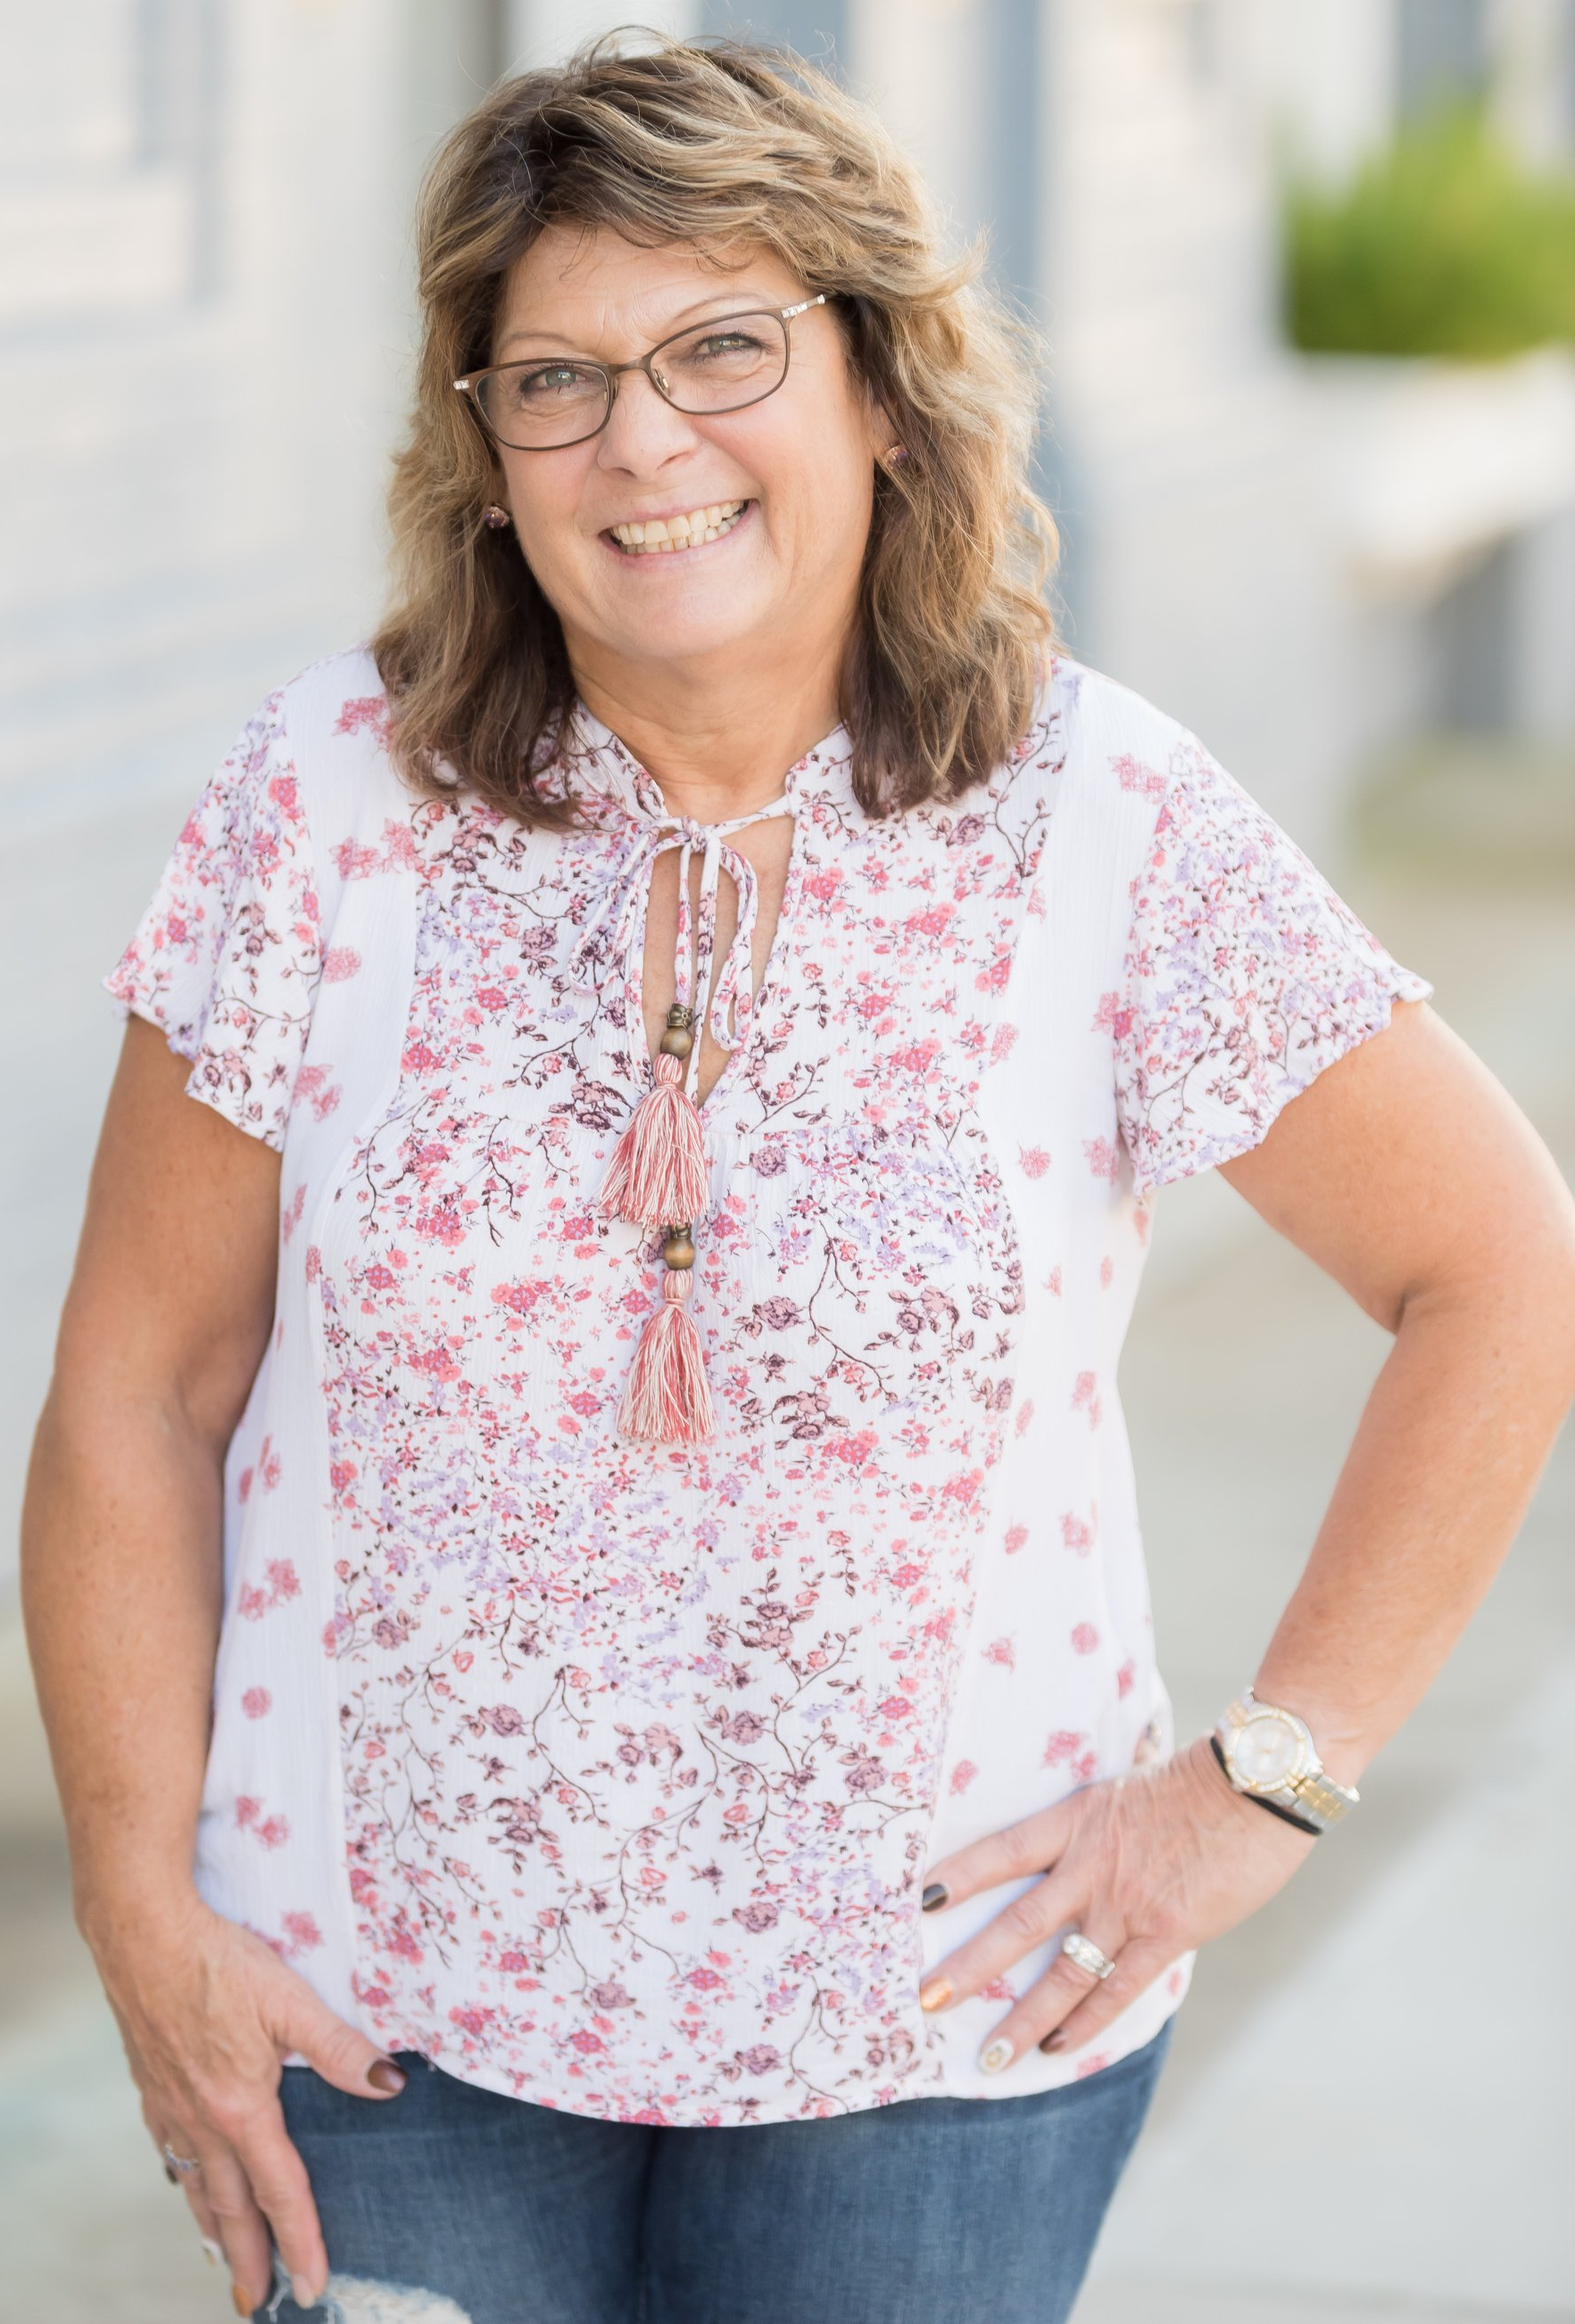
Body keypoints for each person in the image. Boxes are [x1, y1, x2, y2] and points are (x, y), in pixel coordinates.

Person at [21, 33, 1575, 2324]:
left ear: (881, 389)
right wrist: (139, 1910)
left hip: (935, 2029)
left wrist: (1263, 1781)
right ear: (486, 457)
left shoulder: (1105, 819)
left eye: (723, 347)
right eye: (556, 380)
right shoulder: (324, 802)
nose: (643, 441)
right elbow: (136, 1395)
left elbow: (1502, 1266)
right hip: (374, 2015)